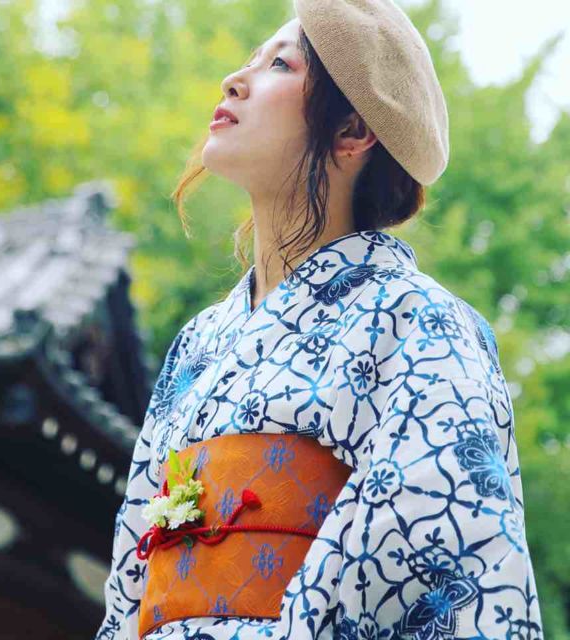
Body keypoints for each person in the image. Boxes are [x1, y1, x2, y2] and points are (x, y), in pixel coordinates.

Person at [95, 1, 543, 638]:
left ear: (353, 130)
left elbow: (447, 561)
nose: (234, 81)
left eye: (280, 65)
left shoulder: (418, 321)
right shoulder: (198, 343)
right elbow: (132, 575)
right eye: (249, 61)